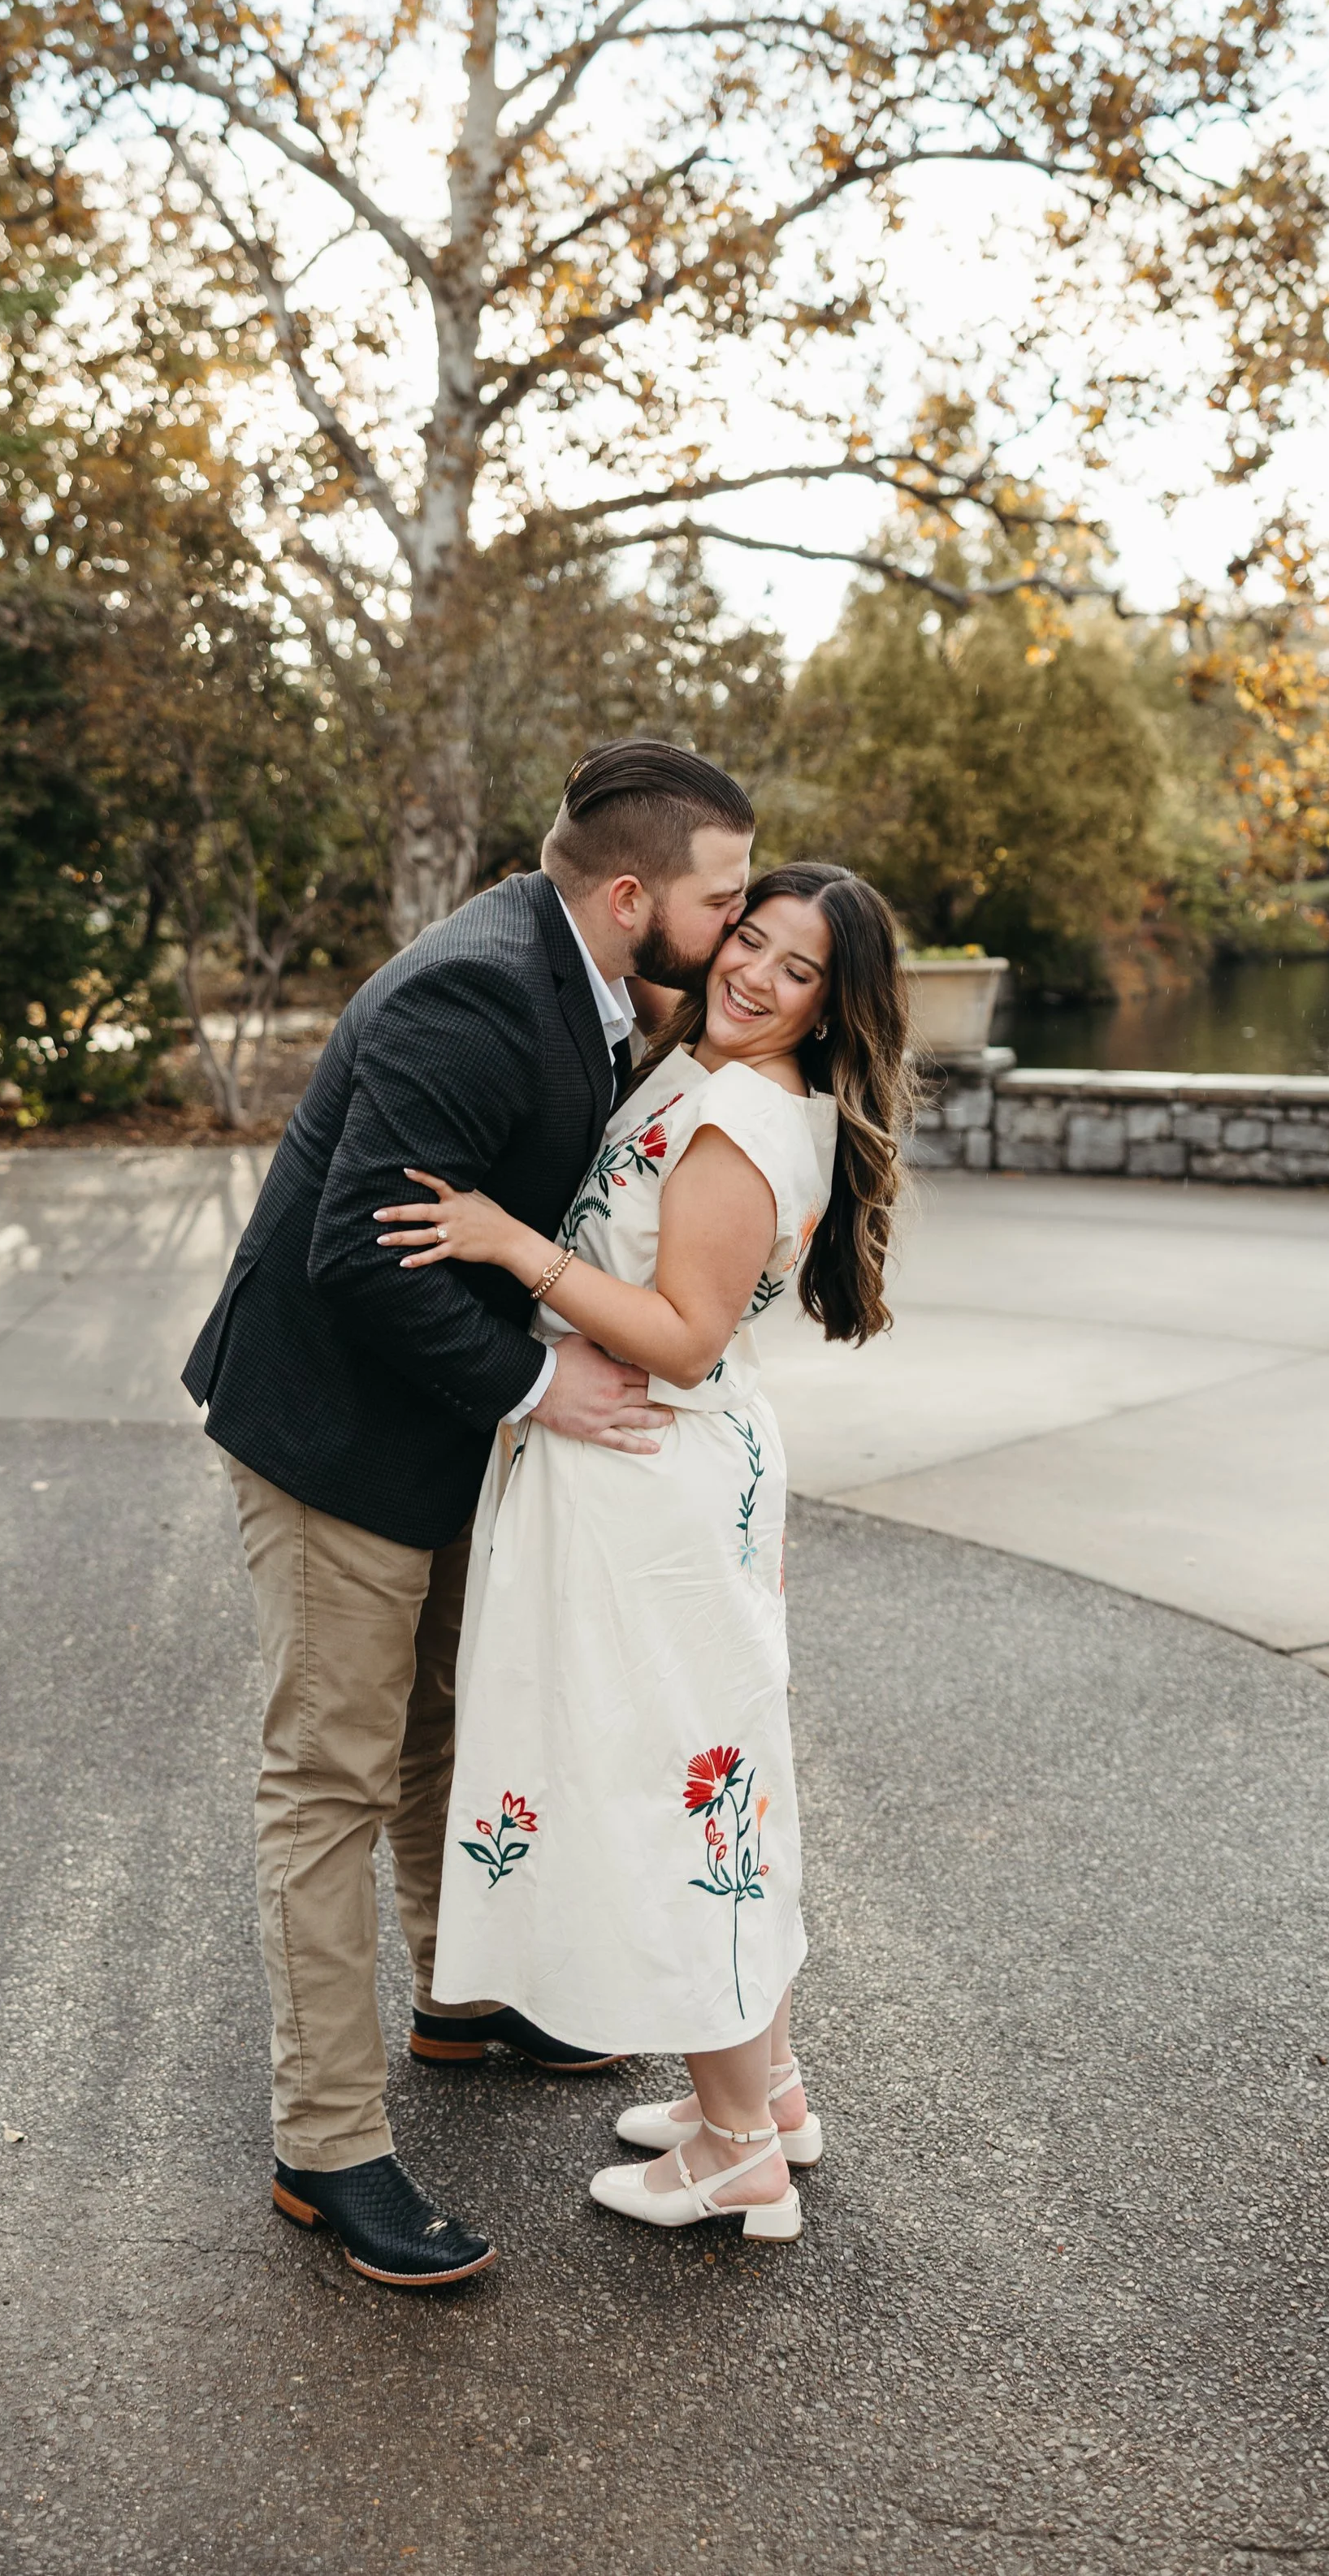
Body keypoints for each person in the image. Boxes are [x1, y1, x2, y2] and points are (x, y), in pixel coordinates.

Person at [182, 740, 759, 2287]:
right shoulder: (479, 989)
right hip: (334, 1443)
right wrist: (536, 1386)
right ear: (631, 896)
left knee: (445, 1718)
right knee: (330, 1777)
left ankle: (458, 1994)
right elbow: (362, 1260)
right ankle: (328, 2149)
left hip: (434, 1428)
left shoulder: (585, 972)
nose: (743, 918)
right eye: (725, 896)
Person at [378, 863, 910, 2245]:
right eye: (751, 934)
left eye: (799, 969)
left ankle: (737, 2147)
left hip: (647, 1466)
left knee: (671, 1791)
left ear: (830, 1003)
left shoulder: (737, 1114)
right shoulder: (721, 1073)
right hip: (660, 1466)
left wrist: (510, 1247)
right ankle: (767, 2089)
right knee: (716, 1782)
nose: (755, 972)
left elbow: (680, 1333)